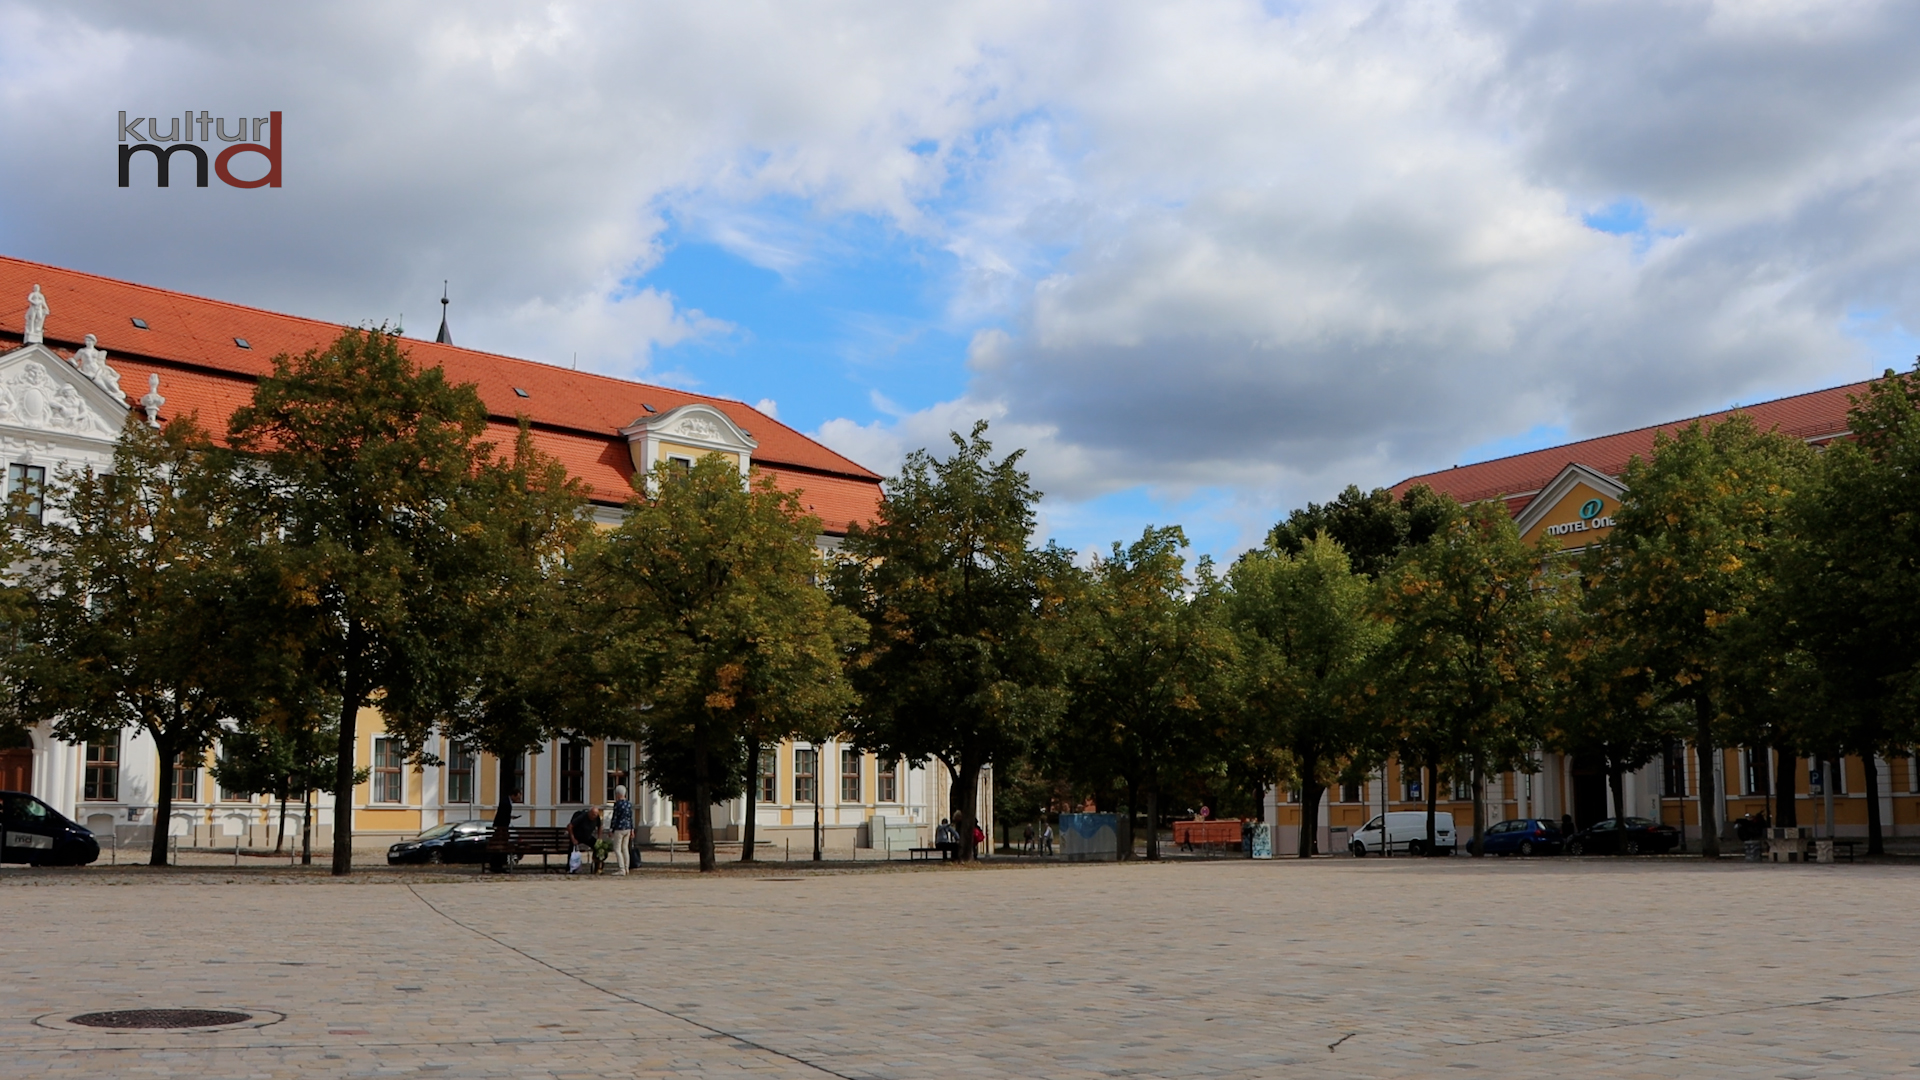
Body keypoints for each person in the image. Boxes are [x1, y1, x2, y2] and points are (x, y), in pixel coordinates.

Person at [487, 788, 519, 874]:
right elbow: (502, 816)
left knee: (499, 846)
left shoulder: (505, 801)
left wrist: (510, 817)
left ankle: (496, 865)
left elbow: (502, 814)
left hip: (501, 827)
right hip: (501, 828)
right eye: (517, 797)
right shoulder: (506, 803)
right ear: (513, 795)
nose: (518, 799)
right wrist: (503, 828)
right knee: (500, 846)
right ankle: (497, 866)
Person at [568, 805, 602, 874]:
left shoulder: (597, 817)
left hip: (587, 836)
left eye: (595, 815)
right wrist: (573, 838)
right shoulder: (582, 816)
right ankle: (570, 868)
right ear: (589, 813)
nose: (594, 817)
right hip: (577, 836)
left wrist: (599, 838)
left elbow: (600, 826)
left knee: (598, 847)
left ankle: (597, 867)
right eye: (593, 815)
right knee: (571, 849)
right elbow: (570, 826)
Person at [608, 785, 634, 876]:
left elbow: (615, 817)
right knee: (625, 848)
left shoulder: (618, 804)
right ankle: (627, 868)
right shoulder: (629, 804)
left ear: (618, 794)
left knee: (617, 849)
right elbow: (631, 817)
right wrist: (632, 829)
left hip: (619, 828)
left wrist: (611, 829)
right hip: (627, 828)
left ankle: (621, 868)